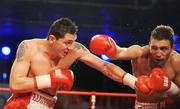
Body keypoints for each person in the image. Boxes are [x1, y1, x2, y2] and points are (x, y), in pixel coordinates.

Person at [3, 17, 139, 109]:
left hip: (47, 104)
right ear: (51, 39)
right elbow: (15, 84)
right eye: (67, 42)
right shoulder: (29, 47)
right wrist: (49, 80)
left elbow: (105, 66)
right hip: (21, 104)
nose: (71, 47)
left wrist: (134, 82)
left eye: (73, 42)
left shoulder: (75, 49)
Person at [89, 25, 180, 109]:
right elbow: (120, 52)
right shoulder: (139, 53)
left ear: (172, 48)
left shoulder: (176, 62)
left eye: (164, 49)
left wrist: (171, 88)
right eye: (154, 48)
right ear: (149, 45)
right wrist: (112, 50)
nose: (158, 54)